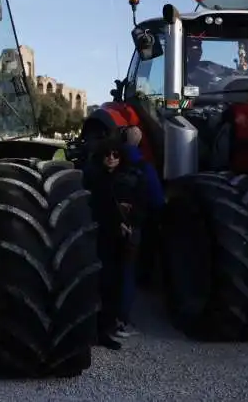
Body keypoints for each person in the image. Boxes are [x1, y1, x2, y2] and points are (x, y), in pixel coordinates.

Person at [83, 133, 149, 350]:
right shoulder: (94, 179)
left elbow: (141, 204)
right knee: (100, 285)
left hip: (121, 239)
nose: (111, 158)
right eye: (107, 155)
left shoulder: (128, 178)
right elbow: (96, 209)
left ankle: (107, 328)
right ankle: (96, 330)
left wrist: (131, 219)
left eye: (115, 155)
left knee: (115, 285)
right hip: (100, 238)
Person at [117, 126, 165, 336]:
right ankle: (121, 320)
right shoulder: (144, 167)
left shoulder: (109, 161)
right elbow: (157, 201)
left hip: (107, 224)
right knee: (127, 272)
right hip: (132, 226)